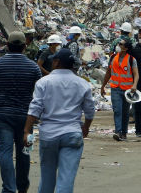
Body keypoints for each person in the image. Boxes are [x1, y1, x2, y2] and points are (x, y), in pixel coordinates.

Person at [24, 49, 95, 193]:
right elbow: (89, 110)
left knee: (47, 175)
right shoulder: (82, 84)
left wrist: (26, 130)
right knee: (67, 177)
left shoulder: (44, 82)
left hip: (49, 134)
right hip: (72, 133)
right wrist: (86, 127)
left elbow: (35, 108)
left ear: (56, 62)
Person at [0, 31, 42, 193]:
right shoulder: (33, 67)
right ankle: (22, 187)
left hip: (3, 115)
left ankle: (8, 188)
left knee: (5, 152)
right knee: (25, 152)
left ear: (7, 46)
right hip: (27, 117)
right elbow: (41, 92)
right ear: (24, 46)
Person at [100, 39, 139, 142]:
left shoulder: (131, 60)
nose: (118, 45)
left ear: (126, 48)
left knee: (125, 112)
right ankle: (118, 131)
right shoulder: (113, 58)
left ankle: (124, 133)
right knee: (117, 110)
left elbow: (136, 74)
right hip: (115, 88)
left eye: (121, 44)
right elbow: (108, 72)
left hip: (127, 90)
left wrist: (134, 85)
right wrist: (103, 86)